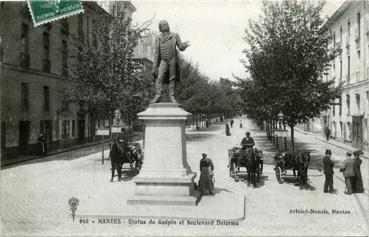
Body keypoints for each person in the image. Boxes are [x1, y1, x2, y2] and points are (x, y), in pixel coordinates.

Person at [151, 20, 190, 103]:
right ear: (160, 27)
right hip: (163, 61)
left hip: (172, 60)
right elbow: (157, 53)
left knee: (172, 78)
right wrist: (154, 65)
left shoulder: (175, 35)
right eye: (164, 25)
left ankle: (172, 96)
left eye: (167, 24)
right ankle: (158, 95)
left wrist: (184, 46)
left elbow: (180, 47)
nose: (166, 25)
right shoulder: (158, 38)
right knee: (159, 77)